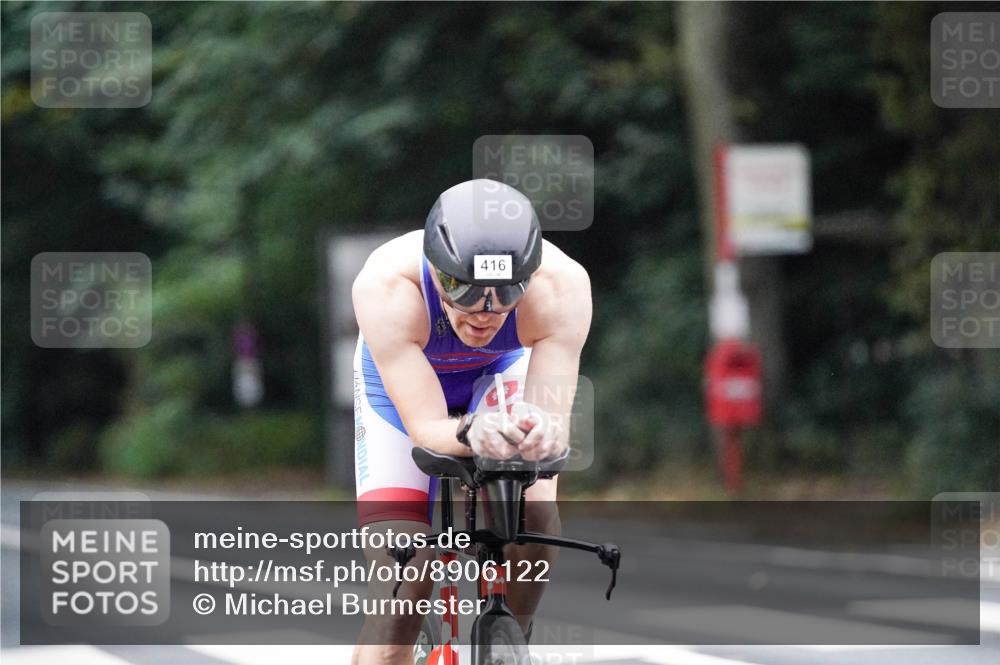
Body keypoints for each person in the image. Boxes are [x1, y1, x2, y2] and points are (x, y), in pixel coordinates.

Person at [350, 178, 591, 664]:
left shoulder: (561, 288)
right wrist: (470, 430)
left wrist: (541, 433)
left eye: (505, 295)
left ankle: (509, 642)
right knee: (401, 581)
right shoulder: (389, 288)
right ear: (436, 270)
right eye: (461, 290)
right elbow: (425, 428)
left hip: (498, 374)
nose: (483, 313)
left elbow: (553, 424)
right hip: (401, 396)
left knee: (537, 516)